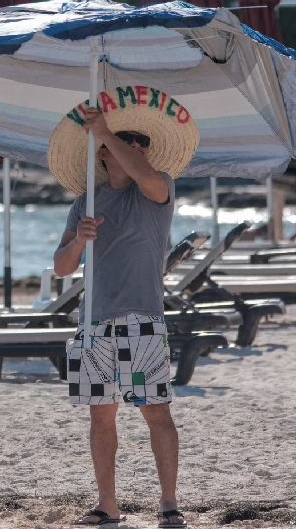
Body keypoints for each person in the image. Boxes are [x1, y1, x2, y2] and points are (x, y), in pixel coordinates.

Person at [48, 86, 199, 529]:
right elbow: (60, 268)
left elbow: (146, 175)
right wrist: (79, 240)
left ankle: (169, 503)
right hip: (93, 325)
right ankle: (107, 505)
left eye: (142, 146)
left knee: (156, 412)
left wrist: (105, 131)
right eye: (128, 144)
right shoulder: (86, 203)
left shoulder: (157, 189)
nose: (137, 151)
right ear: (103, 157)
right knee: (101, 417)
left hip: (141, 320)